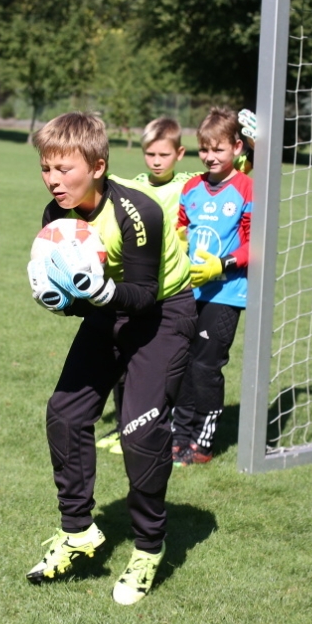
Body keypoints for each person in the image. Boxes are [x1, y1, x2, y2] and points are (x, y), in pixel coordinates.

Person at [25, 111, 195, 606]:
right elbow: (85, 300)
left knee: (140, 432)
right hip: (110, 312)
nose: (54, 181)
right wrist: (61, 300)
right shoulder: (55, 219)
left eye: (64, 170)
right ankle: (78, 532)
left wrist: (97, 292)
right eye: (46, 169)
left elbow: (142, 295)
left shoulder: (137, 211)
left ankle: (147, 548)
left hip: (163, 314)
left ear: (98, 166)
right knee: (64, 414)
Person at [97, 116, 198, 455]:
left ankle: (155, 428)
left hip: (169, 288)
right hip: (135, 284)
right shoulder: (136, 185)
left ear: (179, 154)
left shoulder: (187, 184)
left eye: (163, 155)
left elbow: (229, 172)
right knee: (123, 360)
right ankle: (123, 428)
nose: (156, 161)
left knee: (157, 366)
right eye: (150, 154)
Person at [172, 107, 253, 465]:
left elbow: (257, 244)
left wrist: (224, 263)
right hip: (190, 292)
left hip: (226, 293)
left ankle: (203, 443)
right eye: (204, 149)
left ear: (237, 148)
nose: (210, 156)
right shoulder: (191, 187)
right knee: (182, 363)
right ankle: (178, 436)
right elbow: (179, 230)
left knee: (205, 367)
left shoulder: (247, 188)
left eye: (218, 149)